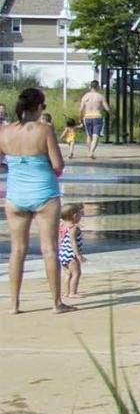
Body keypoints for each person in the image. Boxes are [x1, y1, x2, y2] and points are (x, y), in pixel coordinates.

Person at [4, 89, 68, 314]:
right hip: (44, 193)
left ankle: (14, 304)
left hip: (15, 195)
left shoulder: (4, 131)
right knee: (49, 249)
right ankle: (56, 303)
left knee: (17, 250)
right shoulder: (44, 129)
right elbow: (58, 164)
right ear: (39, 107)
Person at [57, 204, 86, 302]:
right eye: (80, 214)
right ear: (74, 215)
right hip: (71, 255)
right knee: (76, 274)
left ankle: (66, 292)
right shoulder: (73, 228)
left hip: (63, 253)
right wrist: (78, 255)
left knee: (67, 274)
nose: (81, 216)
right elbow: (73, 242)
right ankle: (73, 293)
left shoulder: (62, 226)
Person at [78, 80, 108, 159]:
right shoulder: (100, 96)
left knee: (89, 135)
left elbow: (80, 109)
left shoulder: (85, 96)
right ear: (97, 86)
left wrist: (80, 119)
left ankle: (90, 152)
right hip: (97, 116)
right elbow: (107, 108)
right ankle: (91, 152)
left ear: (90, 86)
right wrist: (111, 114)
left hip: (87, 117)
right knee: (96, 135)